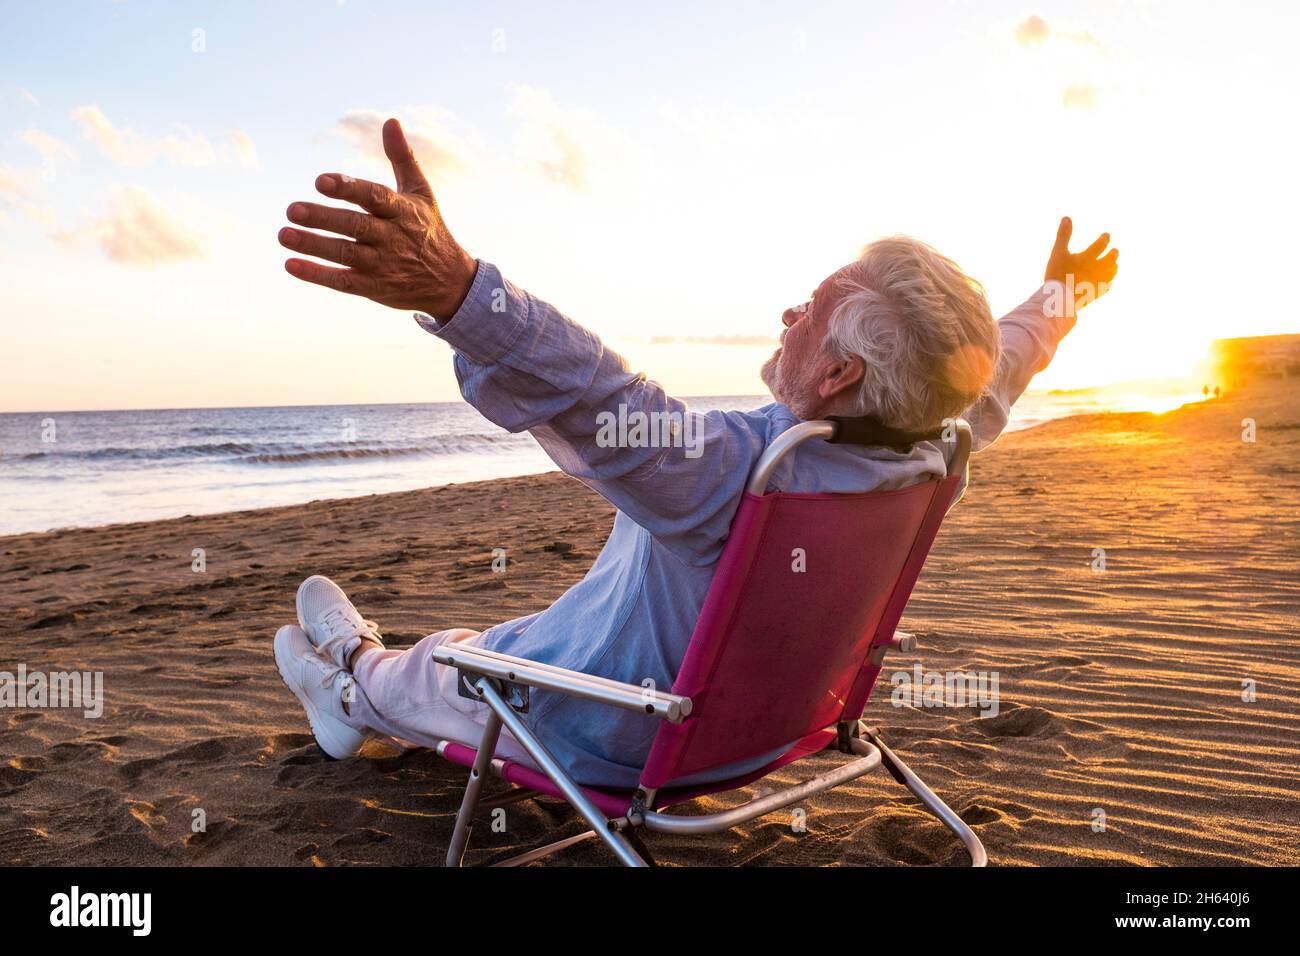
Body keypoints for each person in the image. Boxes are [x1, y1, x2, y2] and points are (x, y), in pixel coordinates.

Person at [272, 118, 1119, 788]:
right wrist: (1061, 295)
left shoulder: (748, 476)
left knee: (451, 669)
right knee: (493, 641)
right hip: (775, 728)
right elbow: (1006, 358)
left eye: (813, 307)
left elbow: (600, 395)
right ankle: (369, 680)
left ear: (836, 372)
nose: (790, 311)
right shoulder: (940, 442)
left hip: (607, 730)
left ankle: (348, 684)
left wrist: (457, 289)